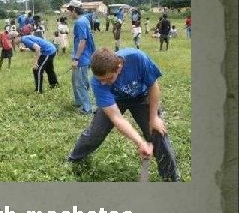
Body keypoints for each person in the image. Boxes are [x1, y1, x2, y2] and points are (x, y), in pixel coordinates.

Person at [67, 47, 181, 181]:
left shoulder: (137, 58)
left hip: (142, 97)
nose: (103, 82)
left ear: (119, 67)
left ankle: (171, 178)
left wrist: (154, 117)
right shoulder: (98, 82)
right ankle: (74, 159)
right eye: (100, 79)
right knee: (95, 133)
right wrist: (140, 143)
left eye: (108, 78)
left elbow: (153, 85)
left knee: (158, 132)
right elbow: (116, 117)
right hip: (115, 101)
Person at [67, 0, 96, 115]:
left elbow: (82, 41)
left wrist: (76, 59)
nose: (69, 14)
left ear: (74, 10)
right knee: (76, 81)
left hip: (82, 58)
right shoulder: (84, 19)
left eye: (70, 11)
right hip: (86, 56)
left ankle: (87, 108)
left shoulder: (80, 22)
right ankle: (79, 101)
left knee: (80, 83)